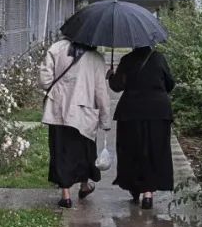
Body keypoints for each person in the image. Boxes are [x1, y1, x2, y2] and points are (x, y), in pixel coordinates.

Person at [39, 35, 111, 208]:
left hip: (59, 110)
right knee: (84, 150)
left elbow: (44, 82)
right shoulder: (96, 58)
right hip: (85, 113)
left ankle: (66, 196)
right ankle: (84, 185)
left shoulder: (56, 49)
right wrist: (105, 119)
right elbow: (101, 93)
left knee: (61, 151)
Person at [107, 45, 175, 209]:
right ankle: (148, 194)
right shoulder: (159, 58)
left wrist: (111, 76)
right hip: (158, 112)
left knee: (132, 150)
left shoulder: (127, 60)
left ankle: (135, 188)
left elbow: (117, 86)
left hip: (131, 112)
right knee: (154, 150)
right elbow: (170, 84)